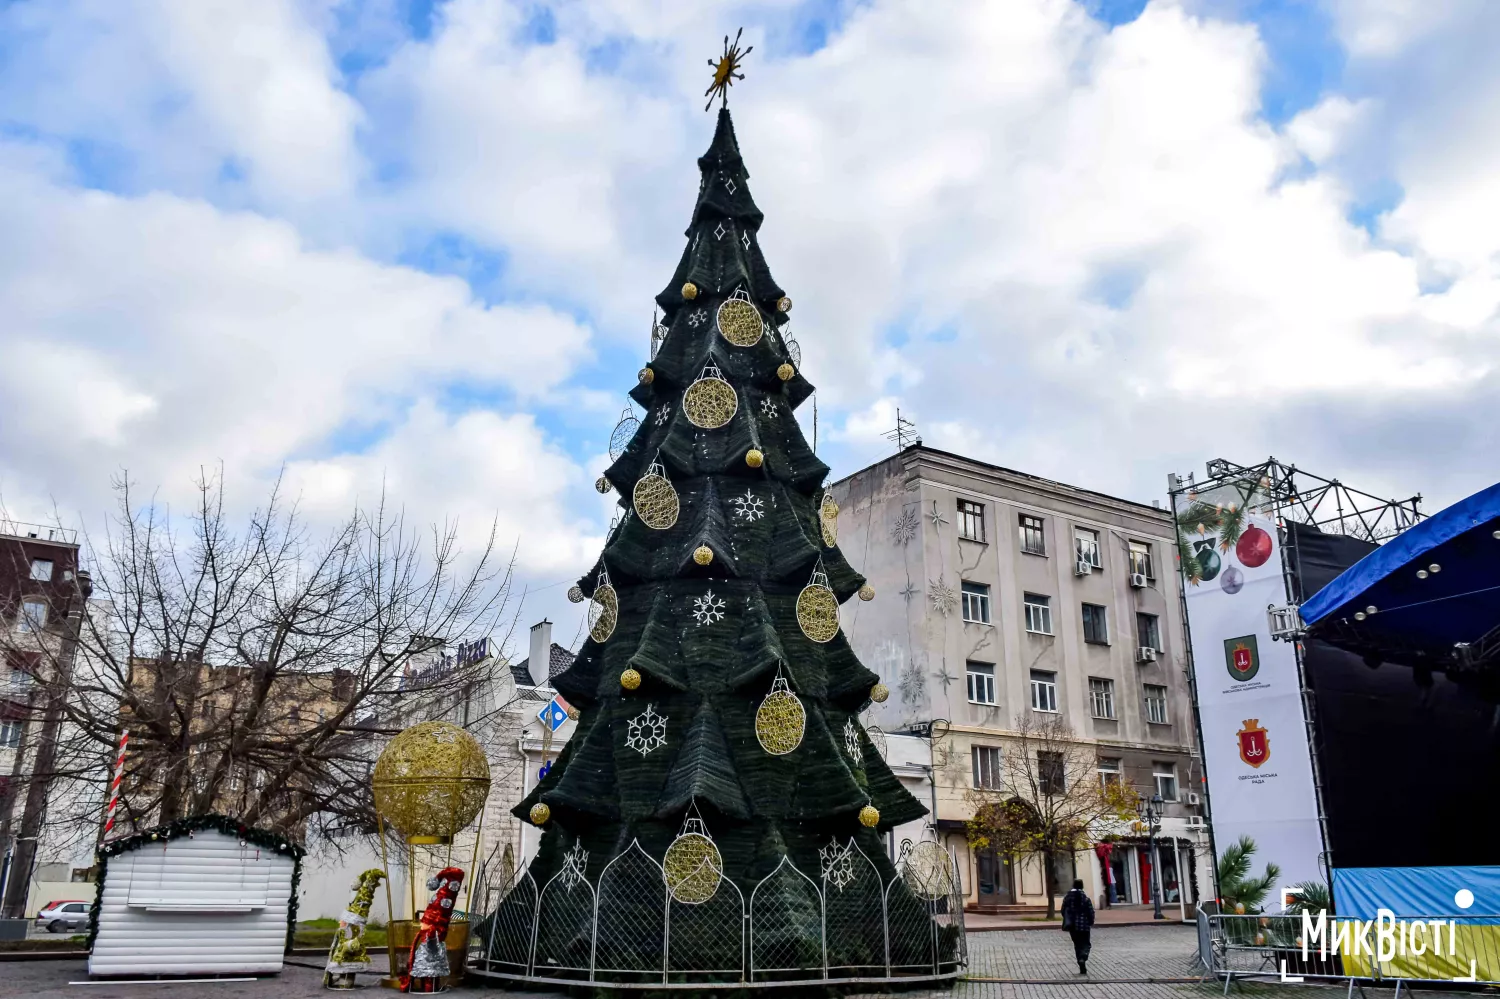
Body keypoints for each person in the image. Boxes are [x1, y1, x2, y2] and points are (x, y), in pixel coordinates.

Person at [1060, 878, 1095, 975]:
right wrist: (1091, 921)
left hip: (1072, 926)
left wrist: (1068, 918)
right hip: (1084, 926)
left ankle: (1080, 962)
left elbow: (1063, 911)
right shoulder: (1086, 898)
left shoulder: (1067, 898)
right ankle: (1083, 957)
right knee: (1086, 944)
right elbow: (1090, 912)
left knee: (1077, 945)